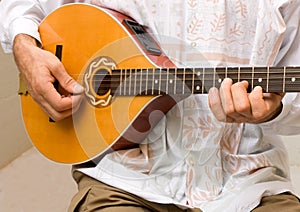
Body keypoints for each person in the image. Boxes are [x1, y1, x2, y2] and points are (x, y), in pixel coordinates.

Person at [1, 0, 300, 211]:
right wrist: (25, 47)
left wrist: (274, 109)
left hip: (248, 181)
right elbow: (22, 6)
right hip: (125, 178)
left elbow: (294, 101)